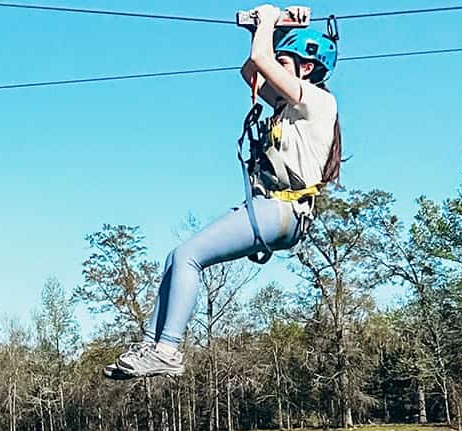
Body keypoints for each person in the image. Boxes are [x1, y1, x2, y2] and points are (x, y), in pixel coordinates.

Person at [105, 5, 340, 379]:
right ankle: (151, 345)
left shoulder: (317, 101)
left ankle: (167, 349)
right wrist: (261, 32)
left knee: (188, 257)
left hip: (283, 209)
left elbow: (260, 60)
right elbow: (251, 70)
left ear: (306, 67)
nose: (274, 67)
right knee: (174, 258)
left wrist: (267, 21)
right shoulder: (285, 104)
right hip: (274, 209)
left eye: (285, 61)